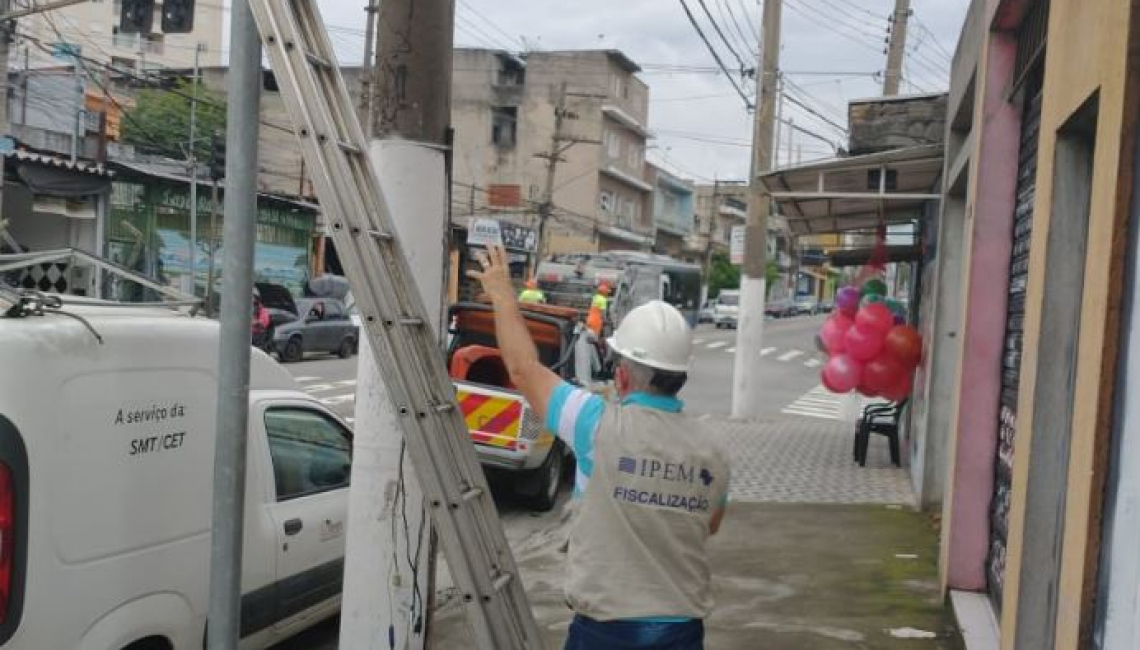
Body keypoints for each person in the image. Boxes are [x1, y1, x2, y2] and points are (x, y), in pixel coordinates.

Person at [468, 246, 730, 650]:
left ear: (622, 376)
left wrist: (503, 294)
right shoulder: (713, 449)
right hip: (682, 629)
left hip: (608, 629)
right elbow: (708, 524)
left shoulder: (595, 424)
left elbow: (523, 370)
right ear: (680, 377)